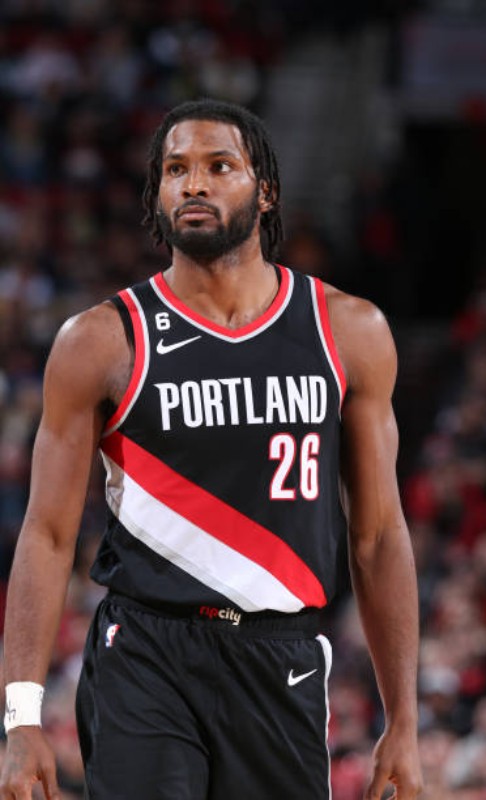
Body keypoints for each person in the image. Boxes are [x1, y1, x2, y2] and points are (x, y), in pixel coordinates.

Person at [0, 98, 422, 800]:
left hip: (280, 656)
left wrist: (403, 720)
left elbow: (378, 536)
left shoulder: (348, 331)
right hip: (146, 654)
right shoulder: (102, 340)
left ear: (266, 191)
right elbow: (46, 534)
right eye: (175, 169)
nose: (193, 183)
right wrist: (20, 717)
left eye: (219, 166)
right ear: (156, 194)